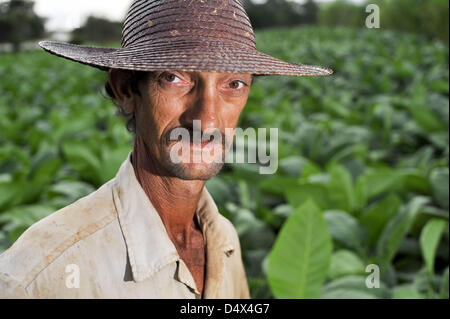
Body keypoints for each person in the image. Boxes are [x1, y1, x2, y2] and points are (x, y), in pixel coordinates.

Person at [0, 0, 332, 298]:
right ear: (126, 90)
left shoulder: (224, 240)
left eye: (233, 84)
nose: (207, 118)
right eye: (174, 78)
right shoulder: (36, 276)